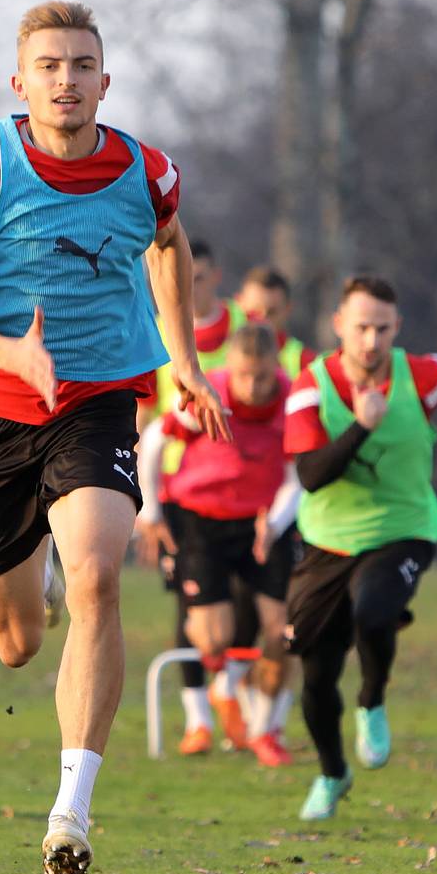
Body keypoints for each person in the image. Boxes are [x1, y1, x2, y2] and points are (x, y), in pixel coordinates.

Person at [0, 0, 229, 874]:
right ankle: (39, 576)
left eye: (82, 64)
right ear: (21, 82)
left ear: (105, 78)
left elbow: (167, 246)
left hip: (97, 400)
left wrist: (187, 362)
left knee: (101, 573)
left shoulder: (150, 171)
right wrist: (14, 351)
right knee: (17, 640)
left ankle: (72, 807)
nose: (67, 79)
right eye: (49, 66)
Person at [283, 276, 437, 820]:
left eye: (382, 328)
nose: (371, 341)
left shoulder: (420, 374)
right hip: (327, 543)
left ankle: (372, 700)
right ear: (338, 328)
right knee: (316, 678)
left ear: (397, 329)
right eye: (361, 328)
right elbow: (310, 476)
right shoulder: (310, 385)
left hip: (404, 529)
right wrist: (360, 426)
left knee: (375, 609)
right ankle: (333, 774)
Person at [137, 321, 301, 765]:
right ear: (230, 368)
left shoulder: (290, 402)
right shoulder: (210, 396)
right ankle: (221, 688)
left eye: (263, 376)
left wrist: (277, 522)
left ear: (275, 368)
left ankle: (264, 729)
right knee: (213, 638)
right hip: (200, 520)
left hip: (263, 523)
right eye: (245, 375)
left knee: (283, 631)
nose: (253, 385)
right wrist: (149, 513)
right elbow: (152, 441)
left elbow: (295, 476)